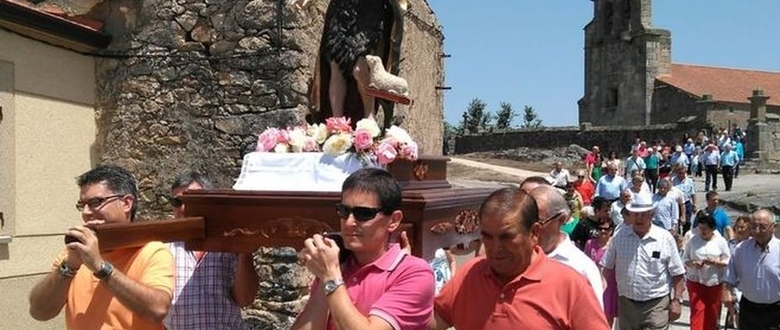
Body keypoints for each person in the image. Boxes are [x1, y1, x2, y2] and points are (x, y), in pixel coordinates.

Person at [430, 187, 610, 330]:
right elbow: (431, 323)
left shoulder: (571, 286)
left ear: (534, 233)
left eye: (506, 237)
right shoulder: (470, 275)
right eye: (487, 237)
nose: (495, 248)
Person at [28, 165, 174, 330]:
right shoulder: (74, 252)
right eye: (82, 205)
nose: (86, 212)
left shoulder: (152, 251)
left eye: (95, 202)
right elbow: (39, 312)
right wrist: (68, 268)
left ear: (126, 203)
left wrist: (100, 267)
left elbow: (157, 310)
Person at [291, 168, 434, 330]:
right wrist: (327, 276)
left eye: (363, 213)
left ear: (393, 220)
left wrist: (331, 278)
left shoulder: (414, 273)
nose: (349, 222)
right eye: (344, 211)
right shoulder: (335, 267)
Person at [164, 172, 258, 330]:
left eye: (193, 200)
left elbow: (245, 299)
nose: (184, 207)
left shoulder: (230, 244)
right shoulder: (163, 248)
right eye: (177, 201)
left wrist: (244, 250)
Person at [600, 193, 686, 330]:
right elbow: (607, 267)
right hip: (626, 304)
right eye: (636, 214)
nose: (639, 218)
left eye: (644, 214)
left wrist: (677, 300)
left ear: (652, 215)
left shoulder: (664, 238)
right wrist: (598, 292)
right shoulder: (619, 236)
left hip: (656, 304)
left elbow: (677, 273)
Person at [722, 209, 780, 330]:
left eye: (762, 227)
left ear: (774, 227)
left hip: (777, 313)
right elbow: (729, 277)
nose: (757, 231)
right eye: (753, 227)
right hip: (748, 310)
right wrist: (726, 293)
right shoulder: (741, 249)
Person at [528, 186, 605, 309]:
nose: (530, 229)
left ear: (561, 220)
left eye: (539, 222)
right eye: (525, 221)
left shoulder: (581, 268)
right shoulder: (517, 258)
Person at [682, 211, 730, 330]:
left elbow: (727, 260)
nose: (702, 231)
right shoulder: (693, 240)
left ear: (712, 228)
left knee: (712, 310)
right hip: (695, 280)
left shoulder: (720, 241)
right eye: (700, 228)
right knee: (698, 309)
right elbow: (685, 258)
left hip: (714, 281)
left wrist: (715, 262)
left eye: (705, 229)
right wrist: (693, 263)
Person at [585, 220, 618, 328]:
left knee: (608, 316)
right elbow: (585, 261)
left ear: (611, 230)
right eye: (600, 228)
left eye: (606, 229)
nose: (603, 231)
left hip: (609, 285)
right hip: (593, 283)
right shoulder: (590, 243)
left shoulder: (614, 245)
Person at [671, 166, 697, 235]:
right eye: (679, 173)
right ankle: (678, 237)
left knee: (687, 222)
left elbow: (693, 193)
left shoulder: (690, 181)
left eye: (683, 173)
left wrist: (694, 205)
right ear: (677, 173)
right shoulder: (673, 181)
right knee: (677, 222)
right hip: (677, 204)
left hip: (687, 203)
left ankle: (685, 235)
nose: (681, 175)